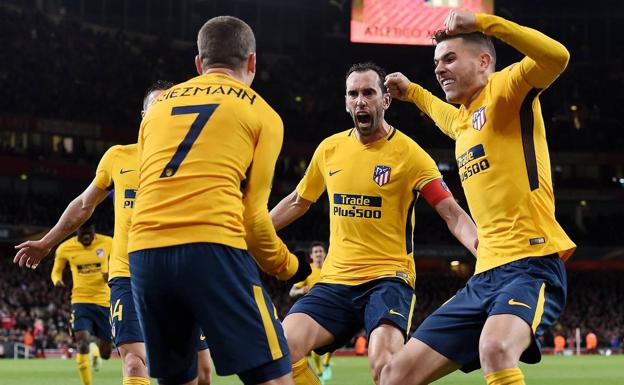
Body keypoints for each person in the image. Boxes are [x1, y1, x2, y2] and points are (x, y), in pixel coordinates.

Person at [382, 9, 576, 385]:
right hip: (484, 275)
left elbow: (558, 57)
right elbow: (443, 115)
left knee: (496, 348)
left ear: (484, 61)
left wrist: (485, 24)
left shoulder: (507, 88)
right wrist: (412, 93)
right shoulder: (463, 119)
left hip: (531, 264)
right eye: (437, 62)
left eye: (450, 58)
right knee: (395, 376)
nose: (439, 69)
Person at [127, 16, 310, 385]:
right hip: (213, 248)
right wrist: (291, 268)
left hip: (144, 254)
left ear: (199, 63)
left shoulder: (156, 110)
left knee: (177, 379)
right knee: (274, 376)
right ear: (253, 62)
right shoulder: (263, 114)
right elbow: (254, 222)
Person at [271, 61, 478, 385]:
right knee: (280, 349)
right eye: (353, 93)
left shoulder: (410, 155)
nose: (360, 101)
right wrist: (252, 234)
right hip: (336, 282)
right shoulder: (329, 149)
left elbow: (452, 213)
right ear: (345, 101)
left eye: (368, 92)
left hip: (388, 280)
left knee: (385, 368)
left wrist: (486, 248)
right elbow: (298, 201)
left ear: (386, 100)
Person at [13, 82, 215, 385]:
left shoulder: (193, 160)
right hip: (127, 275)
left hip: (179, 275)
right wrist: (46, 242)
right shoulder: (118, 157)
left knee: (201, 374)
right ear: (144, 114)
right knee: (134, 364)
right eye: (155, 108)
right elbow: (83, 204)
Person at [51, 221, 113, 385]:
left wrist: (111, 273)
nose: (86, 237)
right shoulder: (65, 248)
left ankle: (96, 350)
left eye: (89, 233)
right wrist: (57, 281)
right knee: (82, 341)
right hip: (80, 300)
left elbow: (121, 260)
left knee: (106, 353)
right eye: (82, 234)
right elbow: (56, 271)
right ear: (76, 232)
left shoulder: (108, 242)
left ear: (94, 230)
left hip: (104, 302)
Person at [288, 242, 332, 384]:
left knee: (336, 338)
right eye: (316, 252)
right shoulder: (309, 271)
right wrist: (302, 290)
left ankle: (326, 364)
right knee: (315, 346)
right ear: (312, 256)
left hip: (333, 308)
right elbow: (292, 292)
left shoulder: (333, 269)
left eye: (321, 251)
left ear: (325, 254)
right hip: (314, 311)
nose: (319, 254)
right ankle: (320, 370)